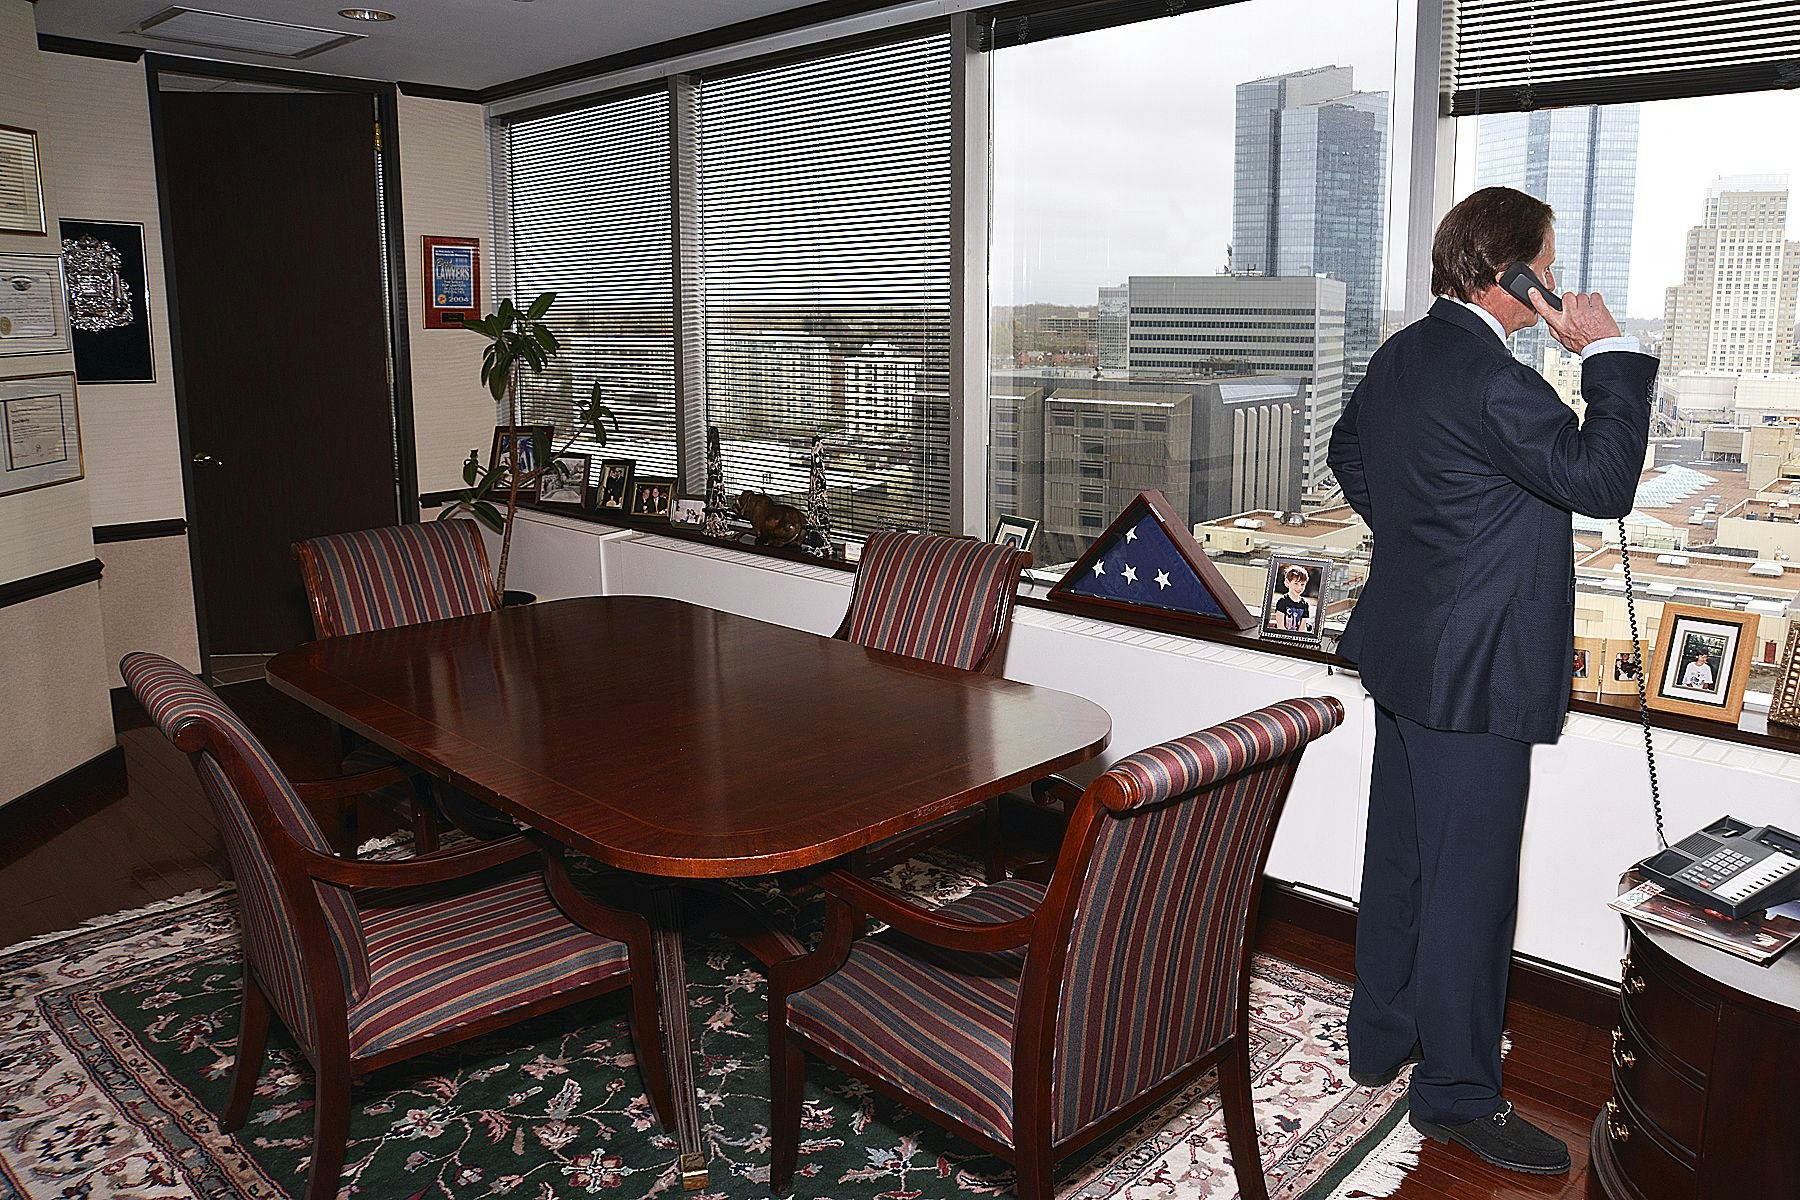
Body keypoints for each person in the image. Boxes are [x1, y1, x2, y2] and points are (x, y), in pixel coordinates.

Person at [1327, 186, 1656, 1176]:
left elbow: (1351, 456)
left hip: (1408, 652)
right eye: (1546, 267)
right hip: (1471, 675)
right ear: (1510, 273)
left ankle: (1379, 1038)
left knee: (1401, 861)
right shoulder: (1491, 377)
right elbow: (1604, 483)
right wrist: (1599, 353)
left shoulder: (1404, 354)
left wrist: (1430, 550)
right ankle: (1458, 1094)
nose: (1556, 285)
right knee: (1469, 886)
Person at [1270, 565, 1315, 633]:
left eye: (1302, 584)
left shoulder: (1305, 604)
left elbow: (1302, 628)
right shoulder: (1282, 601)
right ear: (1287, 583)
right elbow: (1280, 627)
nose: (1299, 588)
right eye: (1296, 583)